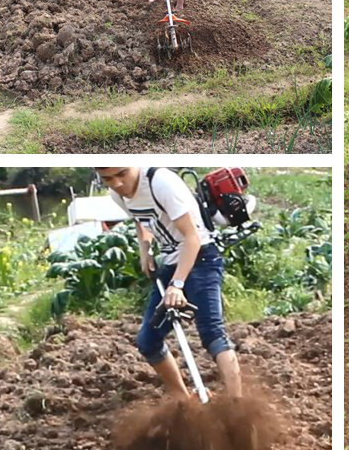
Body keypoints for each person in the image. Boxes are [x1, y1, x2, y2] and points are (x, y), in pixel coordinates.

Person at [96, 167, 241, 399]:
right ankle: (183, 400)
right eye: (107, 179)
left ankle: (237, 406)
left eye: (122, 174)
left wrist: (177, 284)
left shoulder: (162, 183)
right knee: (148, 341)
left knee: (212, 333)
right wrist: (145, 250)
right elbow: (140, 219)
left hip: (201, 257)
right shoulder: (117, 193)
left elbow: (192, 238)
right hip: (171, 263)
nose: (117, 183)